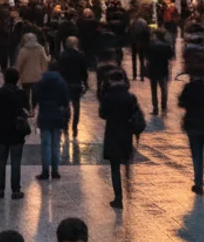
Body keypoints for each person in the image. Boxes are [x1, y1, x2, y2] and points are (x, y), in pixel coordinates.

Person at [98, 69, 138, 209]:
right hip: (126, 133)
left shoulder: (108, 97)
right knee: (126, 161)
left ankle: (118, 197)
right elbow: (135, 113)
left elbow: (102, 114)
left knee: (114, 167)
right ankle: (128, 186)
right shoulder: (130, 97)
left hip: (112, 132)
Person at [178, 63, 204, 194]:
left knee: (196, 153)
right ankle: (199, 181)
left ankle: (198, 182)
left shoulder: (188, 87)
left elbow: (181, 103)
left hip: (191, 122)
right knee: (200, 153)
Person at [0, 67, 30, 199]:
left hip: (1, 131)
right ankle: (15, 189)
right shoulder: (22, 94)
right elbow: (27, 109)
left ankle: (0, 189)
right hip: (17, 131)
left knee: (1, 161)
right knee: (15, 161)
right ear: (17, 79)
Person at [31, 60, 70, 180]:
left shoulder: (41, 82)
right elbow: (65, 100)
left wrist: (34, 106)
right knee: (56, 144)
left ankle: (45, 170)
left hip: (44, 114)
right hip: (57, 115)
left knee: (45, 144)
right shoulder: (62, 83)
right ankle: (55, 170)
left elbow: (35, 96)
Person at [58, 36, 89, 137]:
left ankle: (65, 125)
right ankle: (75, 127)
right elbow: (84, 71)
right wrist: (85, 82)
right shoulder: (80, 55)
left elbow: (60, 70)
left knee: (65, 106)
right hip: (76, 83)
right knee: (76, 107)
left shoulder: (62, 55)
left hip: (65, 84)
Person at [144, 28, 174, 115]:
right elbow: (170, 57)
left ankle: (155, 108)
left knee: (154, 90)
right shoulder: (166, 46)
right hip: (163, 69)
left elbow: (147, 57)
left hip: (152, 70)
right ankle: (164, 107)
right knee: (164, 89)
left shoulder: (150, 45)